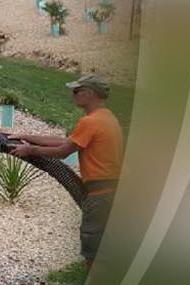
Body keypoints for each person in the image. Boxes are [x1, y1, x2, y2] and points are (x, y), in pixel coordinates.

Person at [9, 75, 123, 269]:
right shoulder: (108, 119)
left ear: (90, 93)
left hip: (100, 196)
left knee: (93, 249)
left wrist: (29, 150)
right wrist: (26, 136)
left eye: (76, 91)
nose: (73, 95)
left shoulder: (91, 122)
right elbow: (67, 142)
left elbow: (62, 152)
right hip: (112, 193)